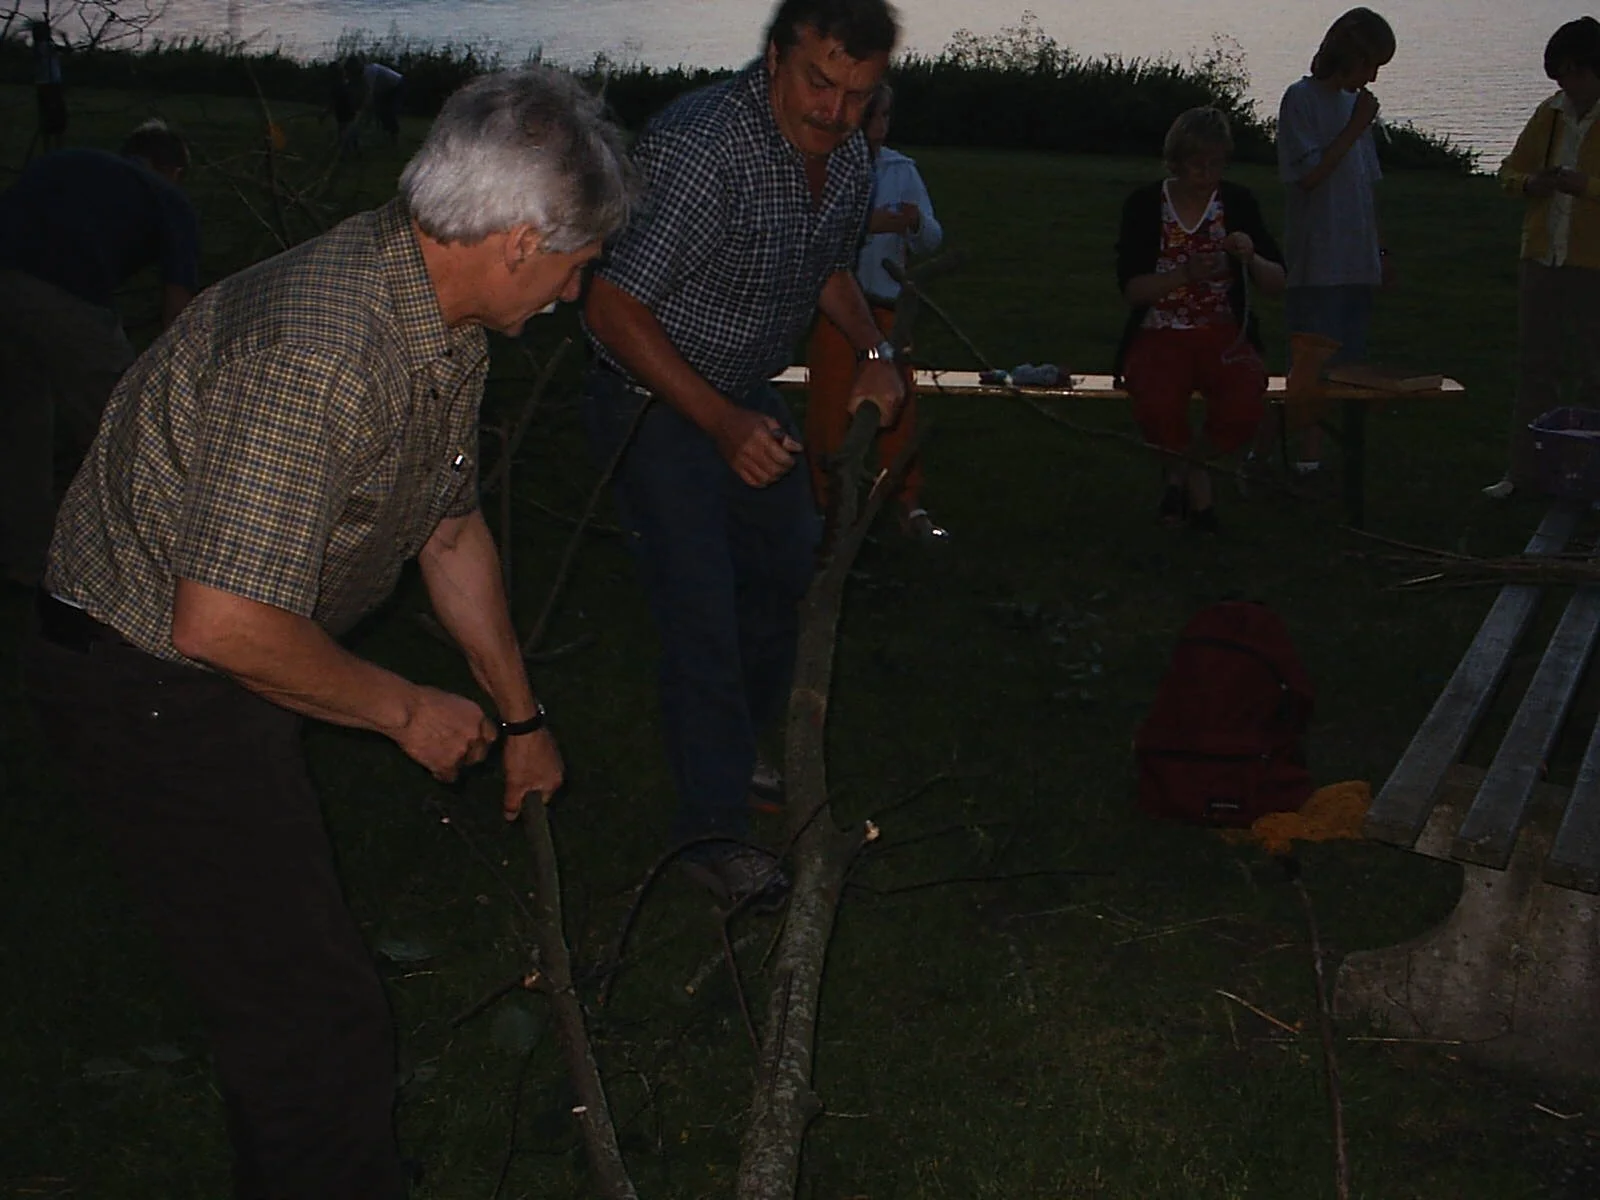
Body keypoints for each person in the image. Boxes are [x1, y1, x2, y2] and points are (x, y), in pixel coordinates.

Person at [24, 67, 633, 1197]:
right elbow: (222, 623)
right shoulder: (323, 351)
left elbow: (448, 532)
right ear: (513, 240)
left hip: (213, 655)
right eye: (579, 261)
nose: (577, 286)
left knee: (286, 987)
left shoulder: (430, 312)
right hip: (146, 678)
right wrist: (405, 709)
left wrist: (522, 718)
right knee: (310, 1006)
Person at [581, 0, 904, 905]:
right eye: (819, 81)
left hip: (744, 394)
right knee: (701, 608)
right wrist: (720, 423)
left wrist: (876, 354)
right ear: (774, 58)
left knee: (784, 576)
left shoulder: (847, 158)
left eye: (856, 94)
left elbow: (829, 269)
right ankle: (711, 834)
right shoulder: (700, 148)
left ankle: (730, 755)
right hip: (653, 401)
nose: (833, 112)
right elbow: (611, 305)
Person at [0, 120, 199, 587]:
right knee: (119, 429)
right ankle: (149, 569)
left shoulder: (65, 161)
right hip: (66, 298)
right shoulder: (169, 198)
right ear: (172, 169)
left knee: (18, 430)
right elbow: (178, 305)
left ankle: (23, 562)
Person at [1115, 106, 1286, 531]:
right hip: (1160, 331)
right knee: (1155, 400)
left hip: (1223, 331)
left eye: (1215, 165)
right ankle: (1200, 497)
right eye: (1196, 165)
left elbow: (1278, 281)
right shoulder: (1144, 205)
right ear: (1174, 162)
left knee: (1245, 403)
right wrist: (1184, 275)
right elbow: (1133, 290)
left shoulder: (1238, 203)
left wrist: (1251, 258)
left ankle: (1180, 473)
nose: (1206, 175)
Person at [805, 80, 946, 542]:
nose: (877, 128)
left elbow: (931, 240)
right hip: (835, 310)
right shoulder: (820, 166)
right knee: (829, 406)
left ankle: (905, 499)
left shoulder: (901, 171)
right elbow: (816, 232)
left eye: (884, 117)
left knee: (896, 405)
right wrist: (869, 223)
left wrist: (914, 222)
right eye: (869, 118)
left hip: (887, 306)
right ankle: (827, 504)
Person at [1274, 7, 1396, 475]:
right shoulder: (1301, 100)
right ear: (1348, 58)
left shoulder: (1355, 107)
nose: (1374, 78)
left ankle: (1337, 455)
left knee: (1350, 367)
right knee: (1310, 366)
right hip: (1318, 259)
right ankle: (1300, 457)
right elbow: (1308, 175)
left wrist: (1381, 251)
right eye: (1370, 66)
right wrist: (1354, 128)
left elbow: (1367, 186)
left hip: (1357, 260)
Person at [1484, 17, 1600, 501]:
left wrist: (1586, 188)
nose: (1566, 85)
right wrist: (1533, 183)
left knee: (1594, 371)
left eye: (1574, 73)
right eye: (1560, 76)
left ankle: (1588, 475)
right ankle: (1524, 471)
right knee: (1536, 367)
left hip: (1593, 264)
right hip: (1540, 257)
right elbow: (1510, 170)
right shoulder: (1548, 114)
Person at [30, 18, 68, 156]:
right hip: (52, 86)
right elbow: (67, 50)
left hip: (42, 85)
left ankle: (47, 150)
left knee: (46, 118)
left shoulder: (37, 47)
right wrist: (65, 39)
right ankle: (58, 151)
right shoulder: (47, 47)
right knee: (58, 120)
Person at [363, 59, 407, 145]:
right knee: (381, 111)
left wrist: (366, 104)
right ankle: (385, 134)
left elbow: (370, 91)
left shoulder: (369, 72)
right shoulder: (366, 72)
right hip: (386, 89)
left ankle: (394, 137)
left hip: (397, 85)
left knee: (390, 112)